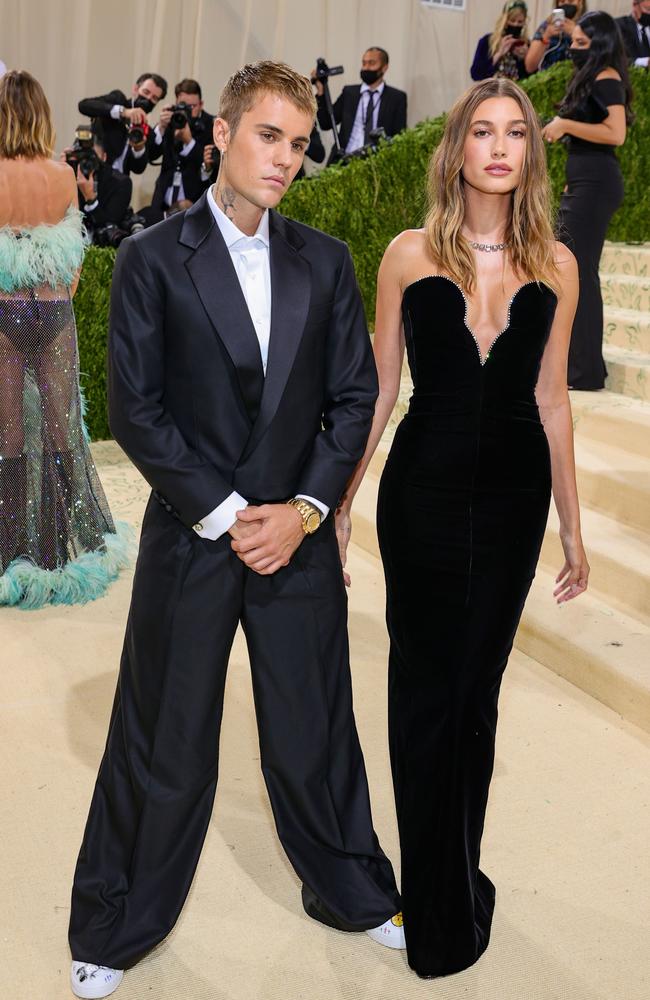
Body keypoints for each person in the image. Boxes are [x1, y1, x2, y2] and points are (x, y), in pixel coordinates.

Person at [68, 60, 403, 1000]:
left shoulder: (325, 260)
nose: (286, 159)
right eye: (268, 136)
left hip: (293, 532)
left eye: (299, 143)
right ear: (222, 134)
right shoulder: (149, 257)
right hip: (194, 532)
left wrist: (302, 513)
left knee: (315, 728)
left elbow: (354, 398)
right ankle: (120, 918)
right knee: (163, 738)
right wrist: (226, 514)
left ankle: (351, 889)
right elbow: (137, 411)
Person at [336, 77, 590, 978]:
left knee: (475, 693)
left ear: (529, 151)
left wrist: (572, 526)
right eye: (481, 130)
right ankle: (437, 903)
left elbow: (553, 399)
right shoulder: (408, 255)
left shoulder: (557, 262)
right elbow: (378, 393)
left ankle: (455, 875)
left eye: (514, 132)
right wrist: (340, 503)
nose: (497, 146)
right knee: (421, 689)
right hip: (424, 497)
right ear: (457, 148)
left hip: (516, 498)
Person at [0, 71, 131, 608]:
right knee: (59, 427)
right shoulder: (61, 176)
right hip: (53, 314)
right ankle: (57, 547)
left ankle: (12, 550)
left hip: (4, 316)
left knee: (8, 430)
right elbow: (71, 262)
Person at [542, 11, 632, 390]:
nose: (574, 49)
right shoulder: (593, 76)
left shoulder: (607, 77)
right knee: (572, 272)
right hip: (584, 183)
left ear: (601, 44)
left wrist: (564, 125)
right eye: (573, 42)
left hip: (596, 184)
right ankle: (577, 366)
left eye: (581, 43)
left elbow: (616, 132)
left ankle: (585, 371)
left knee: (579, 274)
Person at [314, 47, 407, 164]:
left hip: (376, 164)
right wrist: (321, 92)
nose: (366, 67)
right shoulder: (349, 93)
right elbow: (326, 123)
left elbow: (399, 136)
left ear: (384, 67)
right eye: (364, 63)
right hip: (344, 162)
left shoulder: (396, 98)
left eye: (371, 63)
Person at [140, 78, 214, 225]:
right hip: (163, 200)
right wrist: (160, 128)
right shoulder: (172, 118)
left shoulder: (211, 125)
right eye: (184, 105)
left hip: (193, 202)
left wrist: (189, 142)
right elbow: (151, 155)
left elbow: (212, 165)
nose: (188, 110)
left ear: (201, 105)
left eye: (192, 106)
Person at [78, 72, 167, 175]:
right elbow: (84, 105)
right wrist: (123, 112)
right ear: (135, 89)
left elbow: (138, 169)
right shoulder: (118, 100)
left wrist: (139, 148)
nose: (148, 99)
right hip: (92, 173)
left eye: (154, 98)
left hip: (119, 185)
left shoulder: (146, 131)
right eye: (146, 92)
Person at [67, 128, 133, 241]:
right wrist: (63, 172)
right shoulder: (70, 176)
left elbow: (110, 228)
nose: (86, 164)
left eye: (92, 158)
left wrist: (91, 199)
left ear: (104, 157)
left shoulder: (121, 183)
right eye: (82, 158)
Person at [471, 1, 530, 82]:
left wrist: (526, 58)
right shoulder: (487, 41)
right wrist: (499, 54)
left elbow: (531, 77)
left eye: (520, 22)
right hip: (492, 92)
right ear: (505, 21)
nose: (516, 25)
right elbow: (476, 74)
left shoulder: (526, 45)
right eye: (512, 21)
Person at [525, 2, 588, 74]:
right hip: (547, 77)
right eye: (562, 0)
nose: (567, 2)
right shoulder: (547, 25)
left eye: (571, 0)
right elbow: (529, 67)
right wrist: (546, 36)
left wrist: (575, 32)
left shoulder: (589, 25)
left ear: (581, 2)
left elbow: (595, 57)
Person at [616, 0, 650, 68]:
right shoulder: (619, 26)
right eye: (648, 9)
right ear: (635, 5)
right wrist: (645, 62)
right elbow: (617, 60)